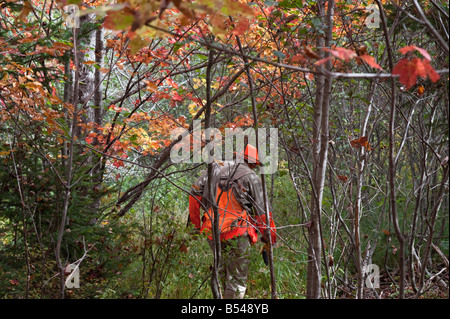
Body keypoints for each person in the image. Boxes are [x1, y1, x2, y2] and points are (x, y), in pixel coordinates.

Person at [188, 144, 277, 299]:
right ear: (253, 163)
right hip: (238, 232)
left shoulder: (214, 168)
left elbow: (193, 195)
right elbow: (263, 215)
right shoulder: (252, 177)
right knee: (236, 279)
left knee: (222, 273)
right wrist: (270, 238)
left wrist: (195, 226)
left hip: (212, 231)